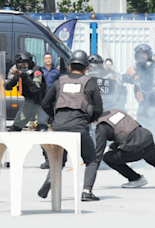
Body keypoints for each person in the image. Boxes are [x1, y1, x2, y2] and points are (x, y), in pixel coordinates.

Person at [39, 50, 103, 201]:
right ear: (86, 67)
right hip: (79, 127)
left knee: (58, 160)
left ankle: (50, 180)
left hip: (59, 127)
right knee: (91, 161)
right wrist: (89, 119)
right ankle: (86, 191)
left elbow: (45, 103)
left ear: (69, 66)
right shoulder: (90, 83)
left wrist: (55, 117)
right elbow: (99, 109)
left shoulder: (59, 82)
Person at [97, 109, 155, 188]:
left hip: (134, 147)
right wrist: (110, 147)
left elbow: (98, 151)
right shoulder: (117, 111)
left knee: (107, 158)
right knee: (153, 159)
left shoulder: (101, 126)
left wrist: (89, 174)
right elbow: (124, 132)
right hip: (147, 140)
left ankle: (136, 179)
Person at [122, 44, 155, 139]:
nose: (141, 57)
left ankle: (153, 147)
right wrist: (129, 77)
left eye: (143, 54)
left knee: (151, 127)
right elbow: (127, 76)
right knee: (141, 125)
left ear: (148, 55)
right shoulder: (137, 66)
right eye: (139, 55)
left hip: (153, 102)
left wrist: (149, 94)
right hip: (142, 102)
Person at [5, 51, 48, 132]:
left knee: (42, 128)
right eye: (20, 64)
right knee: (15, 128)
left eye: (25, 64)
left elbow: (36, 88)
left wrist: (26, 78)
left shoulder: (36, 70)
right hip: (29, 100)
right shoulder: (15, 68)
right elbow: (7, 86)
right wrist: (16, 77)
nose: (22, 66)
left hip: (42, 101)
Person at [39, 53, 61, 169]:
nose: (48, 60)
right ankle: (46, 157)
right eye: (46, 58)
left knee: (54, 126)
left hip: (53, 101)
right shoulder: (39, 71)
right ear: (43, 60)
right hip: (43, 101)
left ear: (52, 60)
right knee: (42, 127)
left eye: (50, 58)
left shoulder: (56, 72)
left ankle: (56, 157)